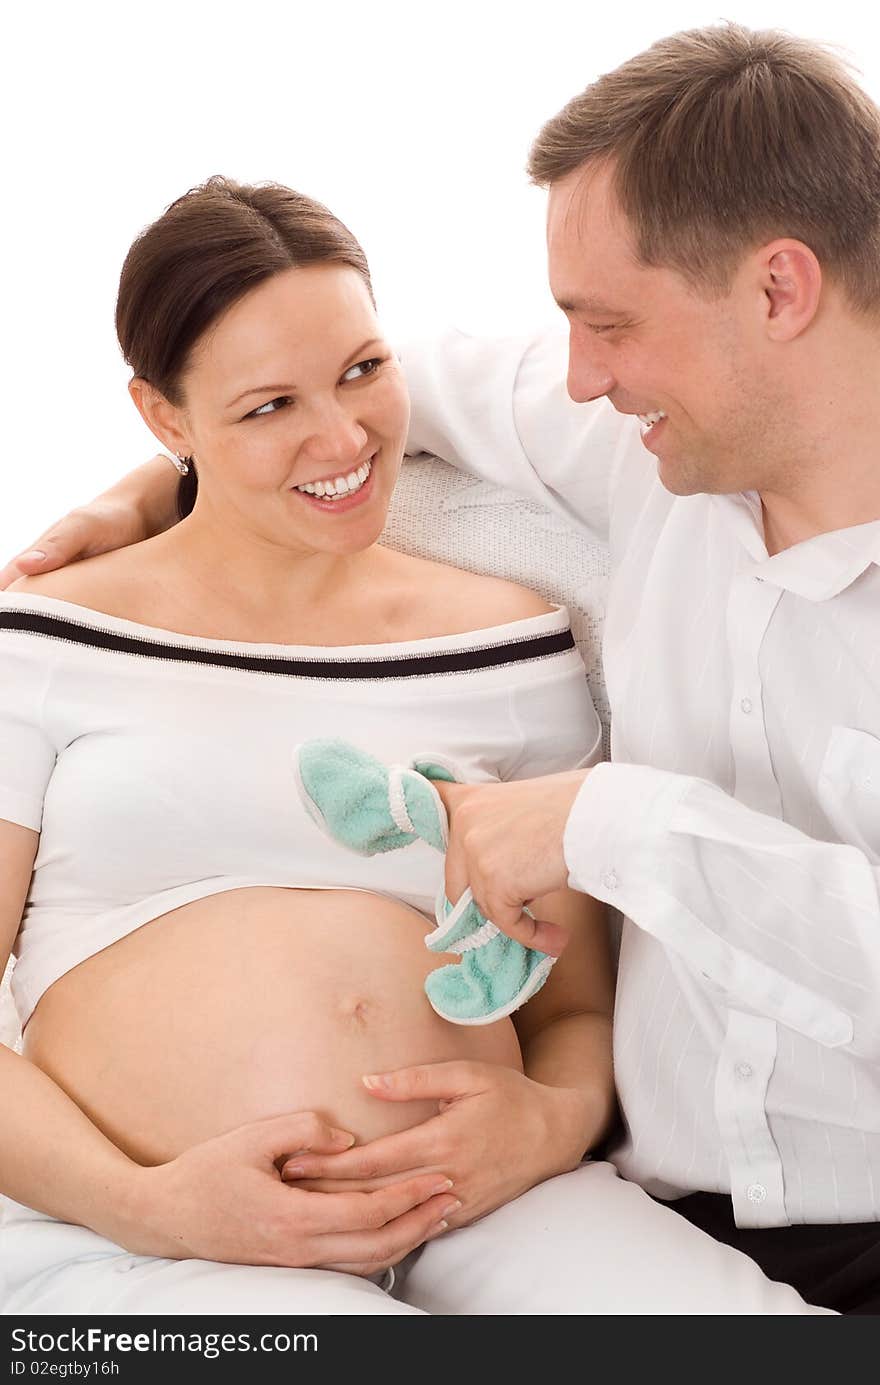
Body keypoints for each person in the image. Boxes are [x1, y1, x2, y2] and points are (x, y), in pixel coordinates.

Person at [6, 23, 877, 1315]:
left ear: (779, 290)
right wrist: (165, 480)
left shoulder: (515, 627)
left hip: (714, 1205)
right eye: (570, 327)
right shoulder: (641, 433)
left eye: (610, 325)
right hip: (209, 1222)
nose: (578, 377)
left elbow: (580, 979)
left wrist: (607, 839)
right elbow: (341, 376)